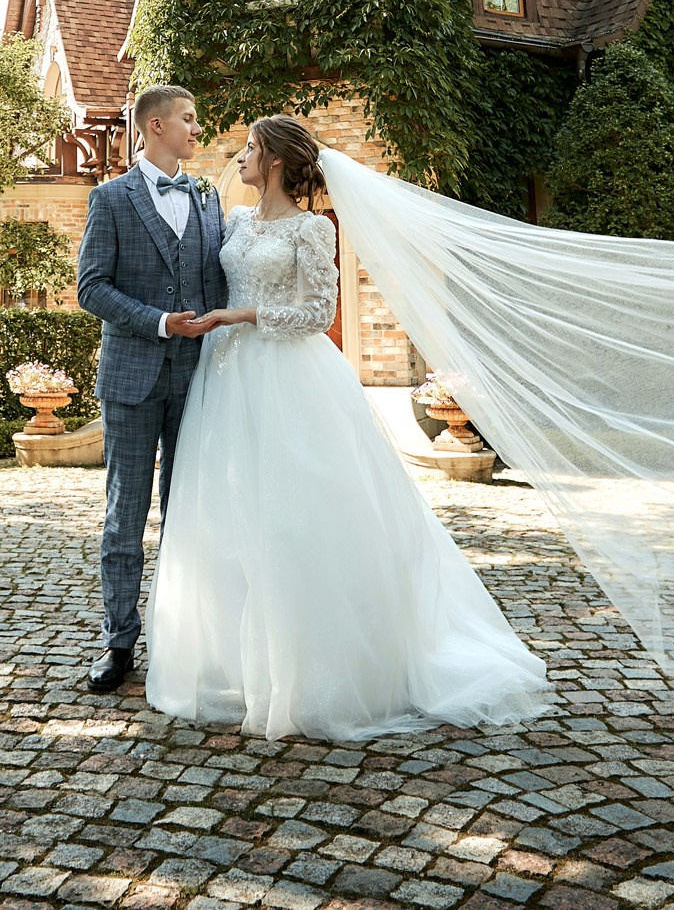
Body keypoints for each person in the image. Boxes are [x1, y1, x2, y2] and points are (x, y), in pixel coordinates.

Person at [143, 115, 556, 741]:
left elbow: (319, 311)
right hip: (227, 380)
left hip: (290, 377)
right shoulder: (232, 222)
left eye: (251, 149)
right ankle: (239, 663)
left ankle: (316, 672)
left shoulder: (312, 229)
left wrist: (244, 313)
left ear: (277, 161)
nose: (241, 157)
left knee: (298, 514)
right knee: (230, 517)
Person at [72, 84, 228, 696]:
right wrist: (159, 321)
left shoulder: (210, 198)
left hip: (197, 380)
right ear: (155, 126)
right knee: (124, 516)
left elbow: (217, 281)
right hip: (131, 378)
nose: (197, 127)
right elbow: (91, 287)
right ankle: (119, 641)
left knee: (189, 513)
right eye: (189, 119)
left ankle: (186, 637)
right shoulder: (110, 199)